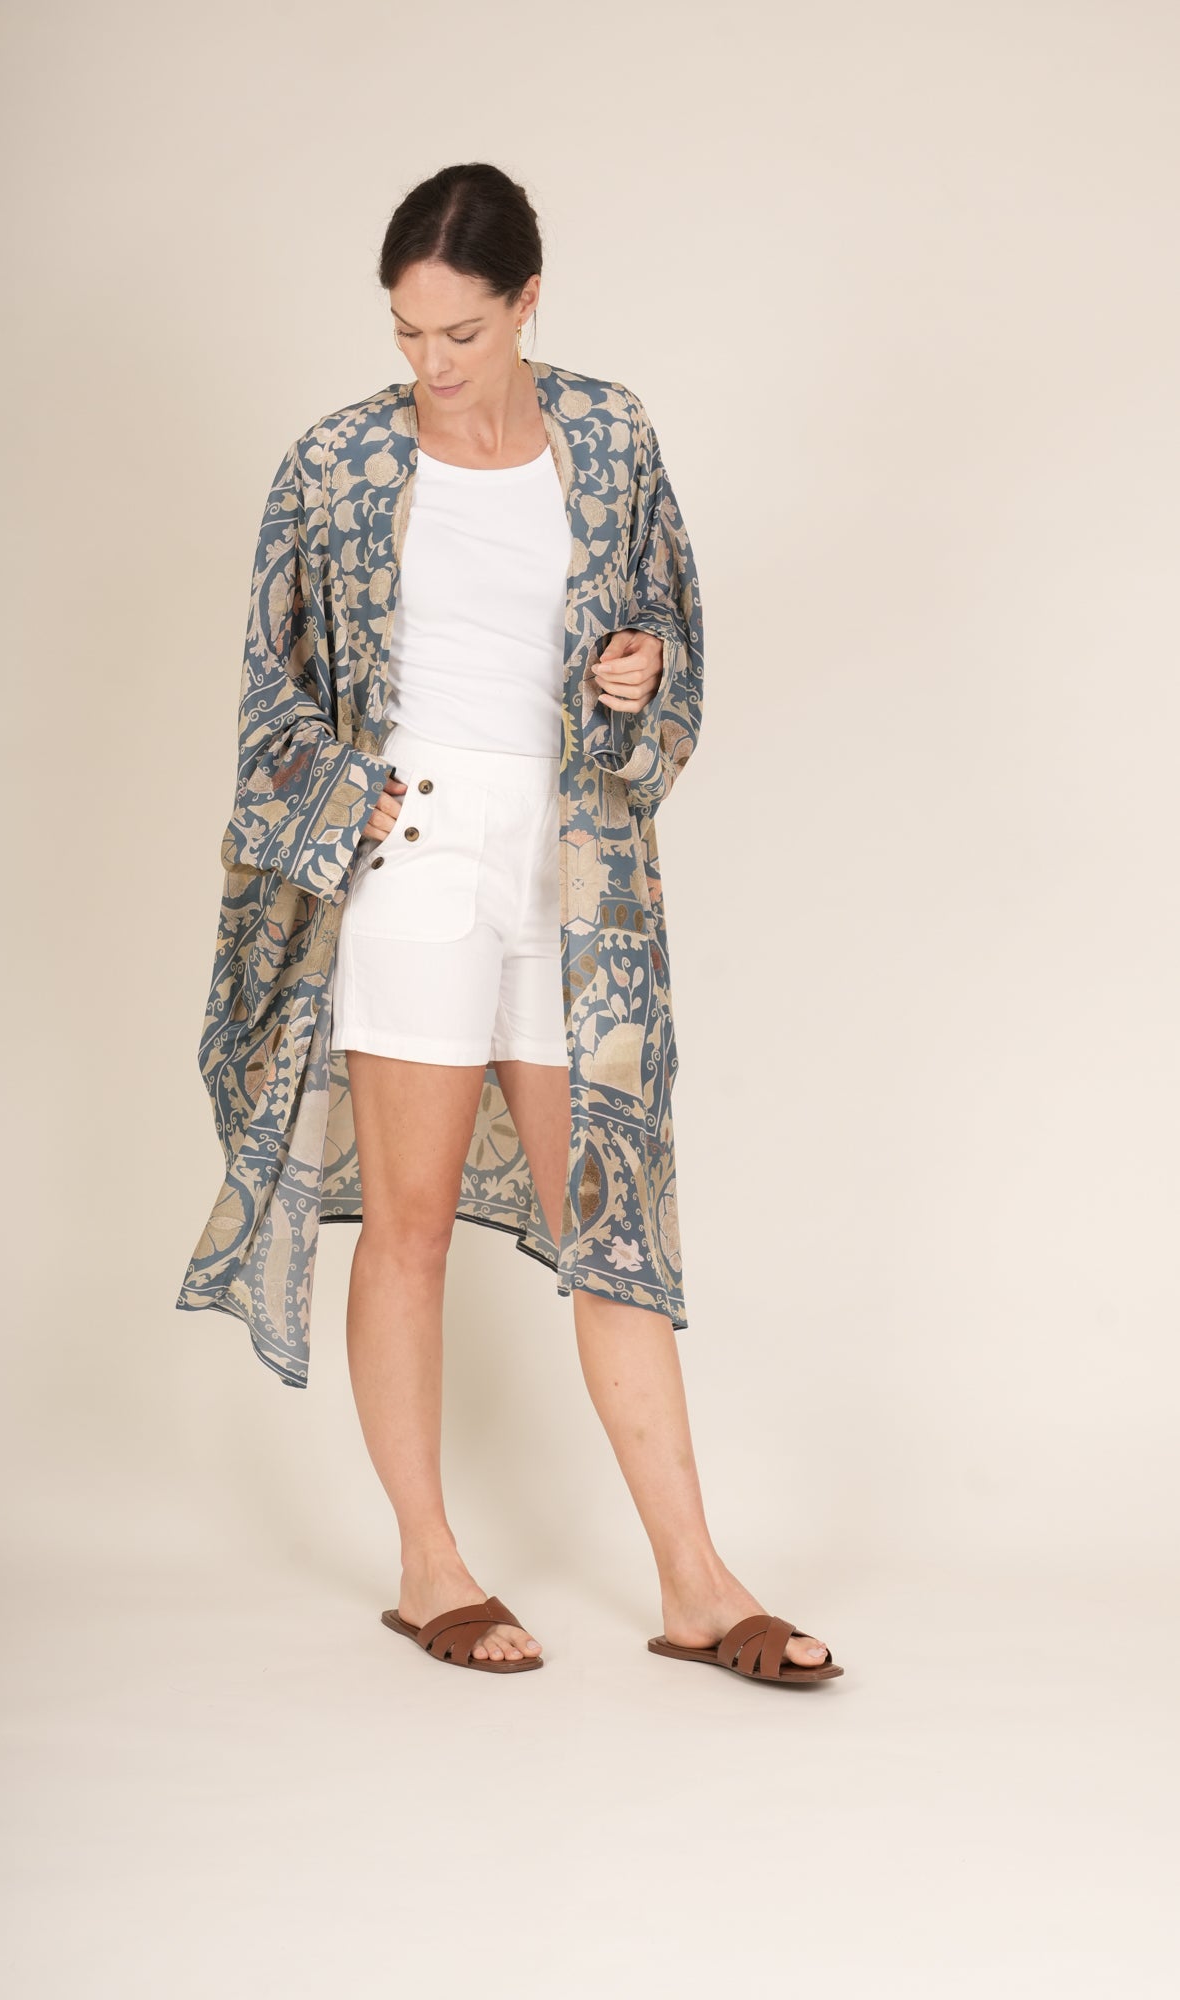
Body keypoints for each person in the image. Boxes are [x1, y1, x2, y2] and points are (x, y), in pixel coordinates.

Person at [184, 162, 843, 1688]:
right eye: (407, 333)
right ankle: (430, 1567)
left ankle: (696, 1585)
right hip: (413, 854)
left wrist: (634, 672)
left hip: (572, 865)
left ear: (526, 301)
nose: (430, 363)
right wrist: (340, 798)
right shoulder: (336, 462)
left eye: (461, 333)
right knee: (407, 1223)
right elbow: (273, 683)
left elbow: (669, 632)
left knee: (608, 1225)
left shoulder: (608, 438)